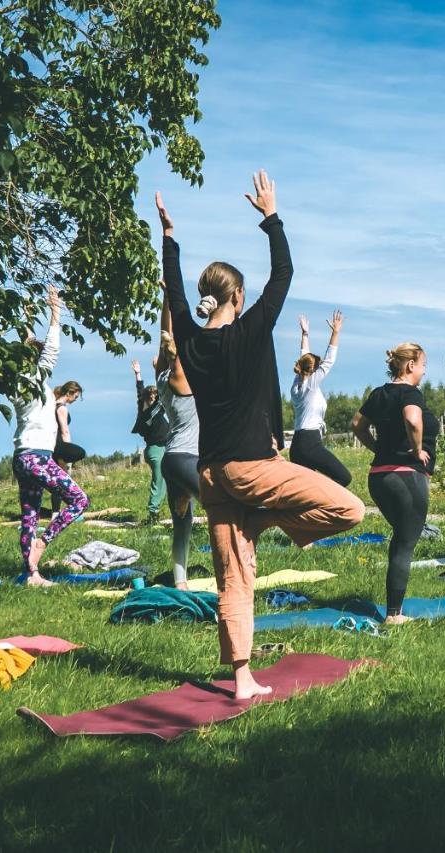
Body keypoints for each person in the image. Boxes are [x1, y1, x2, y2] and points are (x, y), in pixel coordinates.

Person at [157, 171, 365, 700]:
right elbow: (284, 272)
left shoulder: (189, 339)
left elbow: (175, 297)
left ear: (208, 297)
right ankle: (270, 521)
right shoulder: (251, 331)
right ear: (240, 296)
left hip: (211, 475)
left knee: (235, 577)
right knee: (350, 509)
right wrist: (270, 216)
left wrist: (169, 239)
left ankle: (243, 680)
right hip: (254, 468)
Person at [351, 343, 437, 624]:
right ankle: (393, 615)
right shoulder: (410, 393)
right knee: (404, 543)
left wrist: (377, 447)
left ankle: (393, 610)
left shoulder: (379, 393)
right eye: (423, 365)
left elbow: (356, 425)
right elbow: (413, 420)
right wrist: (416, 450)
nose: (424, 371)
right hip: (406, 476)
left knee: (402, 538)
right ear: (410, 365)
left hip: (379, 477)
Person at [12, 285, 90, 585]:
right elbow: (51, 348)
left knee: (30, 514)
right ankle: (42, 546)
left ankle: (30, 573)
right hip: (37, 457)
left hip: (22, 457)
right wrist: (55, 310)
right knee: (79, 500)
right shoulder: (34, 380)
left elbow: (27, 342)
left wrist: (25, 316)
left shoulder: (18, 383)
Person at [155, 293, 201, 589]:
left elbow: (165, 341)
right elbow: (172, 349)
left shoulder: (161, 378)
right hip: (188, 458)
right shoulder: (181, 379)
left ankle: (180, 581)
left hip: (170, 459)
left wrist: (168, 299)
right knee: (227, 512)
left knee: (182, 523)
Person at [289, 310, 352, 487]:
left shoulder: (297, 385)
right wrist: (335, 333)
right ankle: (326, 506)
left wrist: (305, 334)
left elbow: (304, 357)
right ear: (314, 370)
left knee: (304, 491)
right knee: (343, 478)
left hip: (297, 445)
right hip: (310, 442)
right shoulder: (311, 384)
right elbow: (329, 360)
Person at [132, 361, 170, 525]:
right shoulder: (151, 411)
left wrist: (138, 374)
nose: (155, 398)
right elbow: (161, 391)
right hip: (156, 450)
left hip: (156, 449)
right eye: (152, 396)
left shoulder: (143, 409)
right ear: (150, 398)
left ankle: (158, 510)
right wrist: (158, 370)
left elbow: (139, 392)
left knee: (165, 481)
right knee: (159, 482)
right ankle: (153, 513)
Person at [50, 380, 85, 514]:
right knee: (80, 454)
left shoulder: (51, 406)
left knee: (57, 480)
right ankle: (62, 510)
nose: (75, 400)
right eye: (75, 396)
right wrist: (67, 452)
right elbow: (65, 430)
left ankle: (57, 511)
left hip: (50, 444)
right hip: (59, 445)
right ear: (69, 393)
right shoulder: (62, 408)